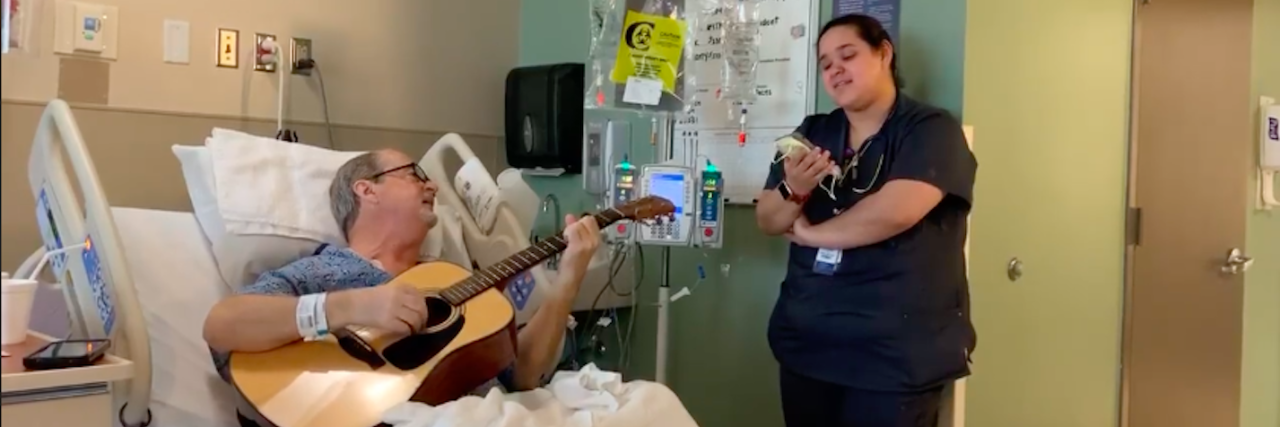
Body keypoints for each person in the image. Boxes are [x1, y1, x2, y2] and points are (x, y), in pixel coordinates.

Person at [203, 149, 600, 426]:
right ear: (366, 190)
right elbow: (223, 325)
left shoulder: (452, 280)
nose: (434, 187)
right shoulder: (323, 272)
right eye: (415, 174)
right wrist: (352, 307)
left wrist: (567, 282)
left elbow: (524, 376)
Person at [755, 14, 978, 427]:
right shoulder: (813, 134)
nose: (835, 69)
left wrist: (809, 234)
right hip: (809, 347)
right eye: (825, 64)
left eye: (848, 55)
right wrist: (794, 189)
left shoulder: (930, 131)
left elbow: (895, 211)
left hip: (893, 357)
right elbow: (768, 218)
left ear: (883, 53)